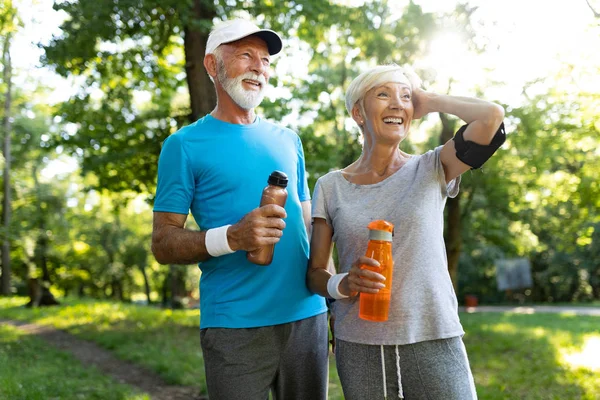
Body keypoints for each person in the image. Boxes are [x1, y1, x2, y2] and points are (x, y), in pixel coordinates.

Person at [151, 19, 329, 400]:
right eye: (245, 55)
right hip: (234, 325)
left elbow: (309, 226)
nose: (258, 68)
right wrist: (232, 237)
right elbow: (163, 243)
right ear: (213, 66)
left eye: (265, 60)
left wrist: (330, 291)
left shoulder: (289, 139)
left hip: (306, 316)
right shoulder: (183, 145)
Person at [307, 64, 505, 399]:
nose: (397, 103)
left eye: (405, 97)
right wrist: (343, 283)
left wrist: (427, 99)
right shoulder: (330, 187)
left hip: (433, 335)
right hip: (360, 344)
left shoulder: (432, 167)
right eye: (383, 94)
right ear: (357, 112)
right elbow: (315, 273)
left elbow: (490, 117)